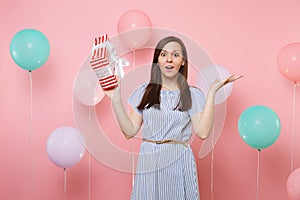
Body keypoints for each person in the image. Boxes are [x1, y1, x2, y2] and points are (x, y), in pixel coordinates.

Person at [103, 36, 242, 200]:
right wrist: (116, 99)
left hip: (178, 160)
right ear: (157, 61)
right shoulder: (144, 92)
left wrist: (211, 94)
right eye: (163, 54)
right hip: (150, 161)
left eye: (175, 55)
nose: (169, 59)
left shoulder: (191, 94)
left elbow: (203, 133)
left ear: (183, 62)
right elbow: (129, 131)